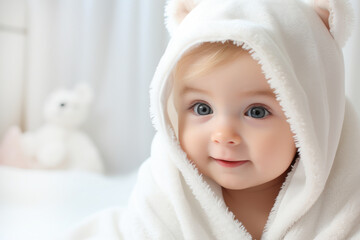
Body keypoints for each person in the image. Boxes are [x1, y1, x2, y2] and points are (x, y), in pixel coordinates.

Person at [65, 0, 360, 239]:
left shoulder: (346, 205)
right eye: (202, 108)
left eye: (256, 111)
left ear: (314, 119)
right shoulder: (165, 193)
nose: (223, 134)